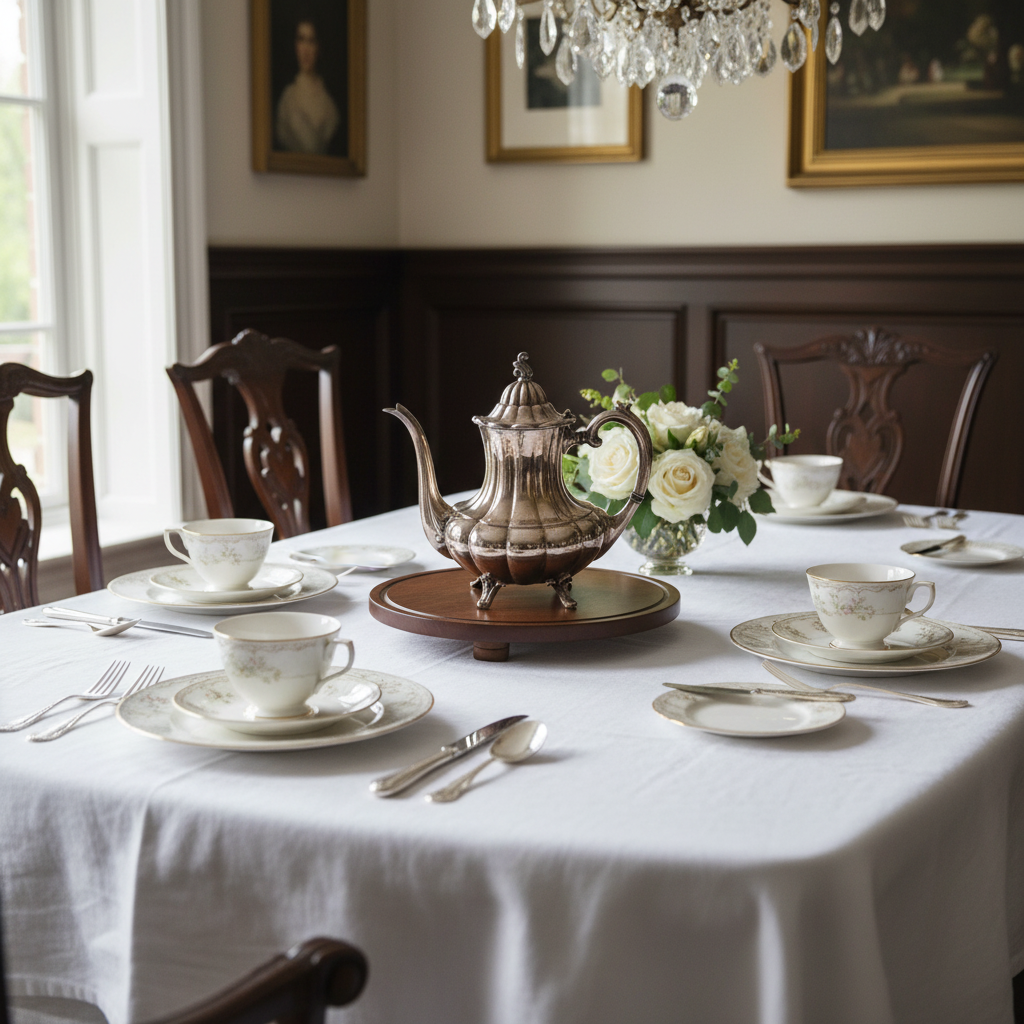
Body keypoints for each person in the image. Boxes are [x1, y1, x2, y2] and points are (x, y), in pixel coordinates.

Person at [275, 18, 339, 154]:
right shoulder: (287, 98)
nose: (305, 49)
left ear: (318, 47)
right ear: (295, 46)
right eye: (301, 39)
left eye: (311, 41)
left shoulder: (330, 105)